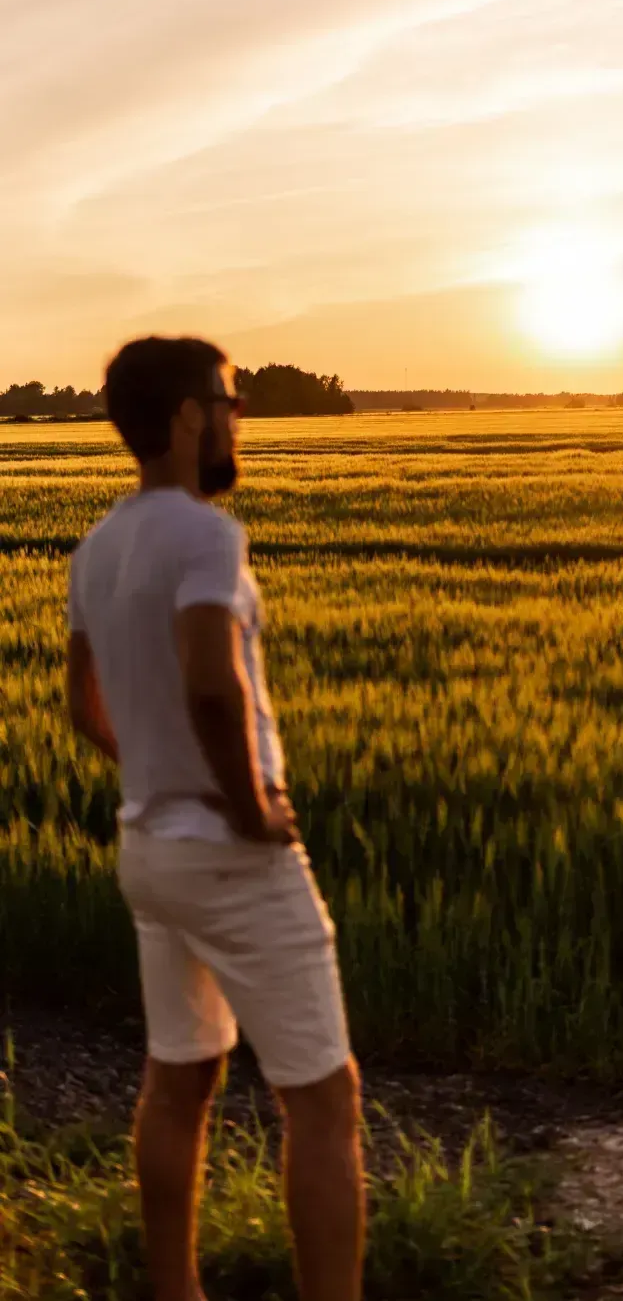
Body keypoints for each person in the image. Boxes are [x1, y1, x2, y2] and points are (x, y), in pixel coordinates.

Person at [66, 335, 364, 1301]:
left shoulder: (97, 547)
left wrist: (155, 773)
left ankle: (173, 1289)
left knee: (179, 1077)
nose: (239, 419)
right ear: (191, 417)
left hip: (148, 846)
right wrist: (249, 807)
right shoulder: (206, 535)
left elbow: (84, 708)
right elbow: (210, 681)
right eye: (230, 402)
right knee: (323, 1098)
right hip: (230, 853)